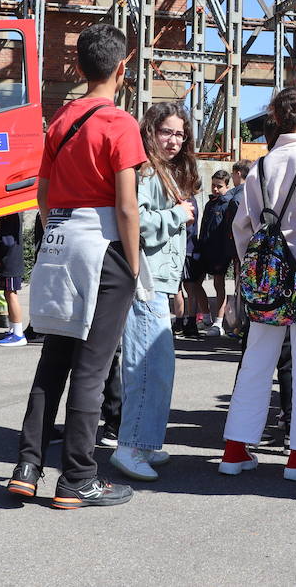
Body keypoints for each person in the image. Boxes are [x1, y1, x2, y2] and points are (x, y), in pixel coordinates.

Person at [9, 23, 144, 509]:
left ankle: (27, 465)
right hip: (103, 246)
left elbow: (42, 193)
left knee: (55, 359)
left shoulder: (61, 119)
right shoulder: (120, 123)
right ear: (122, 68)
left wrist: (59, 227)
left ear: (80, 67)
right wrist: (132, 265)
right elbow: (126, 205)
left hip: (60, 239)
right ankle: (78, 477)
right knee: (93, 365)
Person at [220, 86, 296, 481]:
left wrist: (251, 269)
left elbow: (242, 226)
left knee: (256, 361)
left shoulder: (261, 166)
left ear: (275, 118)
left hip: (266, 276)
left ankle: (235, 449)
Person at [110, 102, 199, 481]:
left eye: (180, 133)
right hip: (144, 280)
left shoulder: (165, 171)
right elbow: (138, 221)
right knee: (149, 366)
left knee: (154, 365)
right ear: (151, 130)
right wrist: (178, 215)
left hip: (156, 281)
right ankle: (131, 446)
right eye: (167, 132)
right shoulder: (147, 170)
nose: (174, 140)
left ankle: (143, 442)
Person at [190, 170, 236, 337]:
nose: (215, 189)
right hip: (205, 249)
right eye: (213, 185)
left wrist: (227, 252)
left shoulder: (228, 204)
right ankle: (207, 317)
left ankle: (218, 322)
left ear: (227, 186)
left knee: (219, 285)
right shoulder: (210, 204)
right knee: (195, 283)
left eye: (219, 186)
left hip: (220, 251)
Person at [0, 213, 29, 347]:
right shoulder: (11, 216)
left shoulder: (10, 216)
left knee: (11, 294)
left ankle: (18, 334)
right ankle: (13, 329)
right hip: (10, 262)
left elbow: (7, 242)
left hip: (10, 262)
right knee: (8, 294)